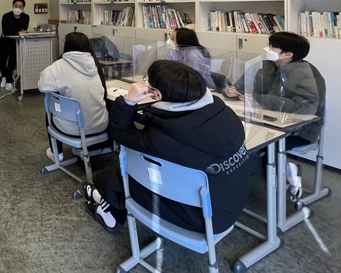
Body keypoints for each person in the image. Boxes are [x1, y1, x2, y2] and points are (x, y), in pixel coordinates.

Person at [79, 60, 250, 234]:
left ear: (157, 94)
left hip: (203, 217)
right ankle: (103, 202)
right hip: (231, 202)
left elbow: (120, 133)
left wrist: (128, 101)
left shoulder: (161, 137)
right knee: (129, 173)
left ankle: (105, 206)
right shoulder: (225, 112)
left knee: (123, 174)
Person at [224, 32, 325, 196]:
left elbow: (304, 107)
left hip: (300, 129)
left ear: (288, 54)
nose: (267, 48)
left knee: (261, 146)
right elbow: (246, 86)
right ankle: (275, 174)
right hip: (266, 121)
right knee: (236, 138)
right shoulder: (267, 65)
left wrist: (259, 99)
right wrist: (235, 90)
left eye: (272, 47)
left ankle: (282, 177)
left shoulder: (307, 74)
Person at [37, 32, 109, 161]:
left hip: (72, 130)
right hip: (100, 126)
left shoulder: (57, 67)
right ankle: (84, 148)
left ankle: (57, 153)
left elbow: (42, 86)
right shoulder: (95, 63)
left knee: (51, 108)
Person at [0, 0, 30, 91]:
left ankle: (9, 81)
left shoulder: (26, 17)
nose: (17, 8)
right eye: (16, 5)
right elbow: (6, 31)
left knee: (12, 62)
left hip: (16, 42)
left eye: (20, 6)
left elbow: (24, 30)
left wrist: (16, 32)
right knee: (1, 60)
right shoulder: (6, 16)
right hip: (5, 41)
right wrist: (18, 32)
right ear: (12, 6)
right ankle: (4, 76)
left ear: (23, 8)